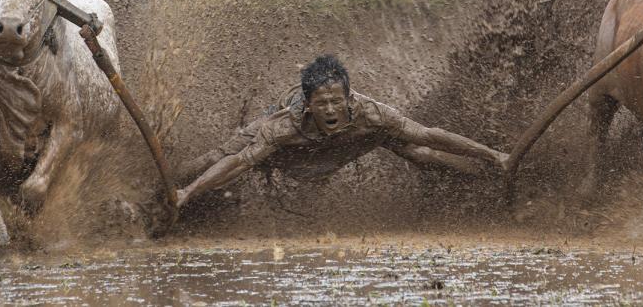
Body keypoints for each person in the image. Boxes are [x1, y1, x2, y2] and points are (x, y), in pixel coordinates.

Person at [175, 55, 509, 209]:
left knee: (420, 151)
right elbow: (239, 162)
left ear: (348, 99)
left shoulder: (370, 113)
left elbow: (429, 134)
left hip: (350, 138)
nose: (331, 110)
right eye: (323, 104)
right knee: (220, 156)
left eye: (337, 102)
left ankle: (481, 177)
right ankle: (170, 186)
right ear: (309, 105)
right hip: (296, 145)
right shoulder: (282, 126)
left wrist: (493, 153)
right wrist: (187, 191)